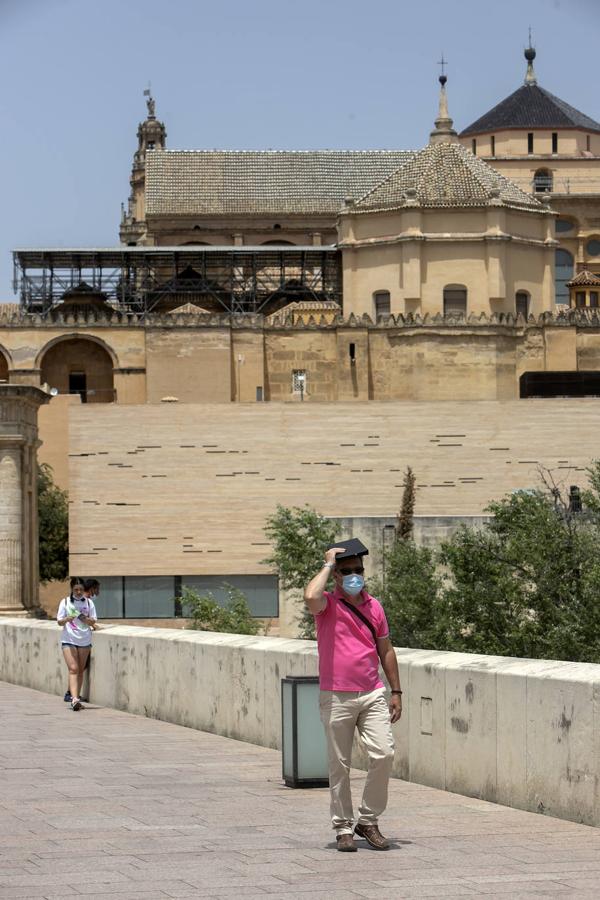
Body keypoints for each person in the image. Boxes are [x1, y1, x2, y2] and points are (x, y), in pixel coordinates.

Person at [304, 539, 402, 852]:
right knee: (340, 765)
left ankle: (368, 820)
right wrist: (328, 563)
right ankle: (344, 827)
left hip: (372, 691)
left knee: (383, 754)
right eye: (347, 571)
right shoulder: (327, 605)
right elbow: (309, 596)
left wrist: (396, 690)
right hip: (336, 695)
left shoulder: (375, 607)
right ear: (337, 575)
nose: (354, 575)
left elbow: (385, 649)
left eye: (358, 570)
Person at [57, 577, 98, 711]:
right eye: (76, 589)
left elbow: (93, 621)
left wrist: (86, 619)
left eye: (81, 589)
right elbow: (59, 621)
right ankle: (74, 699)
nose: (79, 592)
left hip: (84, 639)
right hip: (69, 639)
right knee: (73, 668)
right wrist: (66, 619)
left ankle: (76, 697)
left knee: (80, 669)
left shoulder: (89, 602)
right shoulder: (65, 602)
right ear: (72, 589)